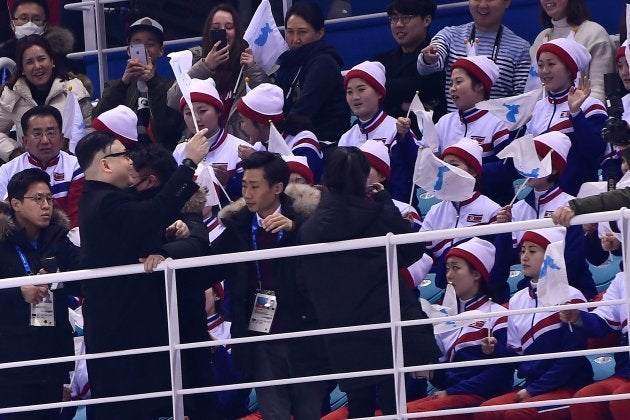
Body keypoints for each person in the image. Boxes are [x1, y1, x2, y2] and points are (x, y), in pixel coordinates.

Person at [297, 146, 440, 417]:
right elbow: (412, 251)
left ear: (327, 179)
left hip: (341, 332)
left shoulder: (309, 229)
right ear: (364, 178)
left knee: (358, 406)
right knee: (395, 406)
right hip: (387, 327)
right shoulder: (379, 216)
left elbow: (303, 283)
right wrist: (385, 201)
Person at [76, 128, 209, 420]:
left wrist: (164, 234)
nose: (130, 161)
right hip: (121, 324)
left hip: (125, 321)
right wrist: (188, 164)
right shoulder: (106, 200)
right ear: (106, 164)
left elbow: (129, 233)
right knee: (129, 402)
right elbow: (150, 213)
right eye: (123, 154)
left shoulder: (101, 197)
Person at [212, 151, 329, 419]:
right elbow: (207, 262)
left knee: (308, 409)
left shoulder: (308, 218)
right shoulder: (238, 223)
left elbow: (329, 255)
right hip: (260, 329)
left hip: (303, 329)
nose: (248, 193)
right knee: (272, 410)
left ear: (277, 188)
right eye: (244, 186)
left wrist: (296, 230)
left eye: (254, 186)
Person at [127, 142, 219, 418]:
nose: (126, 182)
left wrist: (165, 251)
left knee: (196, 398)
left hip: (184, 322)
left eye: (133, 177)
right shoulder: (124, 208)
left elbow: (198, 241)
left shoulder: (185, 204)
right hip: (141, 325)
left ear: (151, 180)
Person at [476, 227, 593, 420]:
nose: (524, 257)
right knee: (487, 411)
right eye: (522, 251)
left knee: (518, 414)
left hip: (569, 385)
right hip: (532, 385)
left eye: (532, 251)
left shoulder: (571, 296)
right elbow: (516, 353)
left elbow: (572, 358)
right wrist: (494, 350)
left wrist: (534, 389)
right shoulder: (516, 300)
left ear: (550, 256)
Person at [0, 168, 81, 420]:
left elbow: (81, 270)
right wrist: (17, 290)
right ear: (15, 204)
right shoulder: (1, 241)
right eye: (37, 199)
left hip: (50, 351)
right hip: (10, 357)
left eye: (49, 198)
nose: (46, 205)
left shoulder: (57, 237)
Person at [407, 238, 513, 415]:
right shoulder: (444, 319)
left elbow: (501, 373)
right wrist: (429, 371)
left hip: (484, 395)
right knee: (400, 412)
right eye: (447, 268)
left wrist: (452, 391)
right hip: (453, 396)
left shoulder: (496, 315)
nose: (449, 275)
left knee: (415, 413)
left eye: (456, 268)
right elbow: (443, 378)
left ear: (476, 274)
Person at [497, 131, 597, 299]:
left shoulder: (571, 205)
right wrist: (503, 229)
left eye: (535, 158)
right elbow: (507, 259)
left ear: (555, 168)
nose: (527, 165)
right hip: (529, 291)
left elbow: (574, 260)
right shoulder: (516, 209)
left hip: (571, 289)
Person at [418, 137, 510, 302]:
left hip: (485, 296)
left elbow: (498, 264)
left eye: (453, 164)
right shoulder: (434, 211)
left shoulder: (492, 210)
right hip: (446, 293)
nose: (446, 170)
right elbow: (423, 256)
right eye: (443, 165)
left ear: (473, 171)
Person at [166, 3, 269, 140]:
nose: (223, 32)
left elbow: (266, 102)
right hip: (200, 143)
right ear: (208, 32)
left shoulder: (248, 62)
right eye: (216, 28)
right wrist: (205, 66)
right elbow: (173, 100)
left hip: (238, 146)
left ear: (237, 31)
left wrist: (252, 68)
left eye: (229, 27)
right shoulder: (195, 58)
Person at [526, 37, 607, 196]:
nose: (544, 71)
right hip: (541, 200)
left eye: (551, 64)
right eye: (541, 65)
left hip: (577, 198)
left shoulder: (591, 105)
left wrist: (576, 113)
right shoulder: (536, 109)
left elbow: (595, 151)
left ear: (570, 69)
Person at [417, 0, 531, 112]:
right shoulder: (449, 35)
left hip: (498, 127)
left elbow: (522, 98)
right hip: (457, 125)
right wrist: (429, 59)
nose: (482, 5)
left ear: (507, 2)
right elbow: (425, 68)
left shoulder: (521, 48)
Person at [92, 17, 184, 150]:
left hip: (161, 156)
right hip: (124, 156)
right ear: (129, 50)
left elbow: (169, 128)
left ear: (161, 50)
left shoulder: (171, 86)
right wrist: (123, 83)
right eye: (137, 44)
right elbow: (98, 121)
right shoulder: (114, 86)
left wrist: (152, 82)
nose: (145, 50)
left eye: (150, 44)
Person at [433, 55, 514, 205]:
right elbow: (424, 161)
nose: (452, 88)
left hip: (493, 205)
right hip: (450, 205)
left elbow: (508, 166)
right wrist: (404, 137)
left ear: (479, 86)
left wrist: (468, 173)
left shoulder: (498, 122)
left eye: (459, 82)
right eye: (451, 83)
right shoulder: (444, 122)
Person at [0, 34, 92, 163]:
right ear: (22, 68)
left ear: (52, 61)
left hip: (71, 166)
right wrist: (13, 153)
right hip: (29, 170)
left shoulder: (75, 89)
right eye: (29, 62)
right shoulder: (11, 94)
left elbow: (89, 130)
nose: (37, 66)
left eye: (41, 59)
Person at [275, 1, 350, 148]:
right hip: (294, 142)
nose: (295, 39)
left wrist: (270, 126)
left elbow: (302, 112)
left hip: (326, 146)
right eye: (290, 32)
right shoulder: (288, 63)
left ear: (320, 33)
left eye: (302, 32)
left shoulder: (324, 63)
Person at [559, 271, 630, 419]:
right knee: (585, 400)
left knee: (623, 400)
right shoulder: (623, 279)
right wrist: (577, 316)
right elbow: (601, 322)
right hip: (626, 372)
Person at [0, 106, 83, 227]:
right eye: (37, 134)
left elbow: (76, 220)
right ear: (25, 141)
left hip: (65, 239)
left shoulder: (76, 167)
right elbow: (4, 216)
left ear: (61, 138)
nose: (45, 140)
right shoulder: (7, 171)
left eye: (51, 133)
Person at [172, 77, 251, 204]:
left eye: (202, 111)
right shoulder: (180, 150)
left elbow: (253, 197)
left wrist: (227, 182)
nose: (196, 118)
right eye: (188, 113)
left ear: (218, 111)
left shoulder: (240, 149)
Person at [372, 0, 447, 121]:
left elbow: (427, 87)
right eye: (394, 18)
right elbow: (368, 91)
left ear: (426, 20)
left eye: (406, 17)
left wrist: (382, 87)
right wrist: (402, 105)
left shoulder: (439, 55)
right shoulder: (381, 61)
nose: (398, 24)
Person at [528, 0, 614, 102]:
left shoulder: (594, 33)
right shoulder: (541, 37)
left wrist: (572, 114)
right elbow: (532, 94)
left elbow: (599, 92)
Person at [236, 82, 323, 182]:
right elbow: (245, 188)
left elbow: (300, 183)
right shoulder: (258, 146)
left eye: (243, 121)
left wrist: (257, 160)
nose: (241, 127)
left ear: (260, 123)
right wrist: (226, 181)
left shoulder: (304, 141)